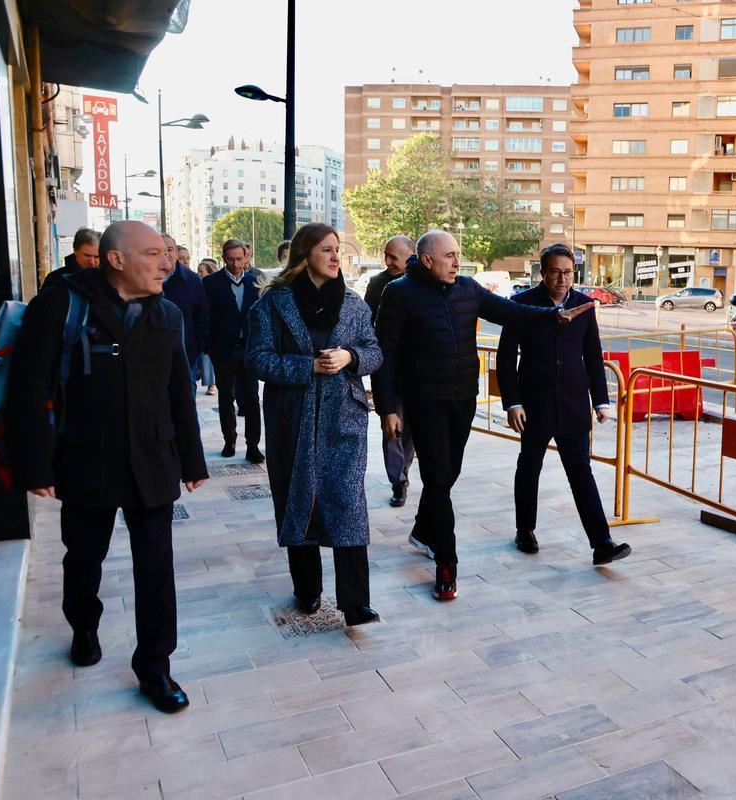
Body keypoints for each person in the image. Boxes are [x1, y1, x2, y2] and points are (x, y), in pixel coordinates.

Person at [5, 220, 207, 713]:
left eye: (169, 253)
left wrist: (193, 458)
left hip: (153, 461)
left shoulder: (169, 314)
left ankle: (155, 667)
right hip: (85, 461)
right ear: (117, 260)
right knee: (83, 559)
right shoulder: (61, 305)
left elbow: (178, 391)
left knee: (157, 570)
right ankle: (84, 625)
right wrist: (36, 467)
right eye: (155, 254)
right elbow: (28, 390)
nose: (168, 263)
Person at [374, 230, 594, 602]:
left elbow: (511, 312)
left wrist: (553, 316)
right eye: (450, 256)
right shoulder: (398, 294)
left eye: (458, 255)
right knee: (438, 477)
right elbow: (385, 356)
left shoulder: (468, 289)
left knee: (448, 474)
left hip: (463, 400)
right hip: (424, 401)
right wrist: (387, 409)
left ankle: (424, 529)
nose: (457, 262)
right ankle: (446, 564)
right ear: (427, 260)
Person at [247, 223, 383, 626]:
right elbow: (257, 359)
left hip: (345, 419)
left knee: (347, 502)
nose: (336, 256)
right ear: (305, 255)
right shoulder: (271, 305)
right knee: (298, 498)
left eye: (338, 249)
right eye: (327, 249)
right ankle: (307, 589)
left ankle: (356, 603)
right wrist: (307, 366)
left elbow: (375, 352)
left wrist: (350, 359)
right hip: (293, 419)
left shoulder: (355, 305)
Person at [498, 243, 631, 565]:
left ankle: (602, 542)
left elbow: (593, 356)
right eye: (556, 272)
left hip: (573, 403)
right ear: (543, 273)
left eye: (568, 272)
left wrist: (601, 400)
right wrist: (512, 402)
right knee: (529, 467)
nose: (562, 279)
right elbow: (505, 358)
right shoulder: (522, 305)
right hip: (534, 403)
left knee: (581, 472)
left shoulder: (585, 306)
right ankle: (525, 530)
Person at [364, 236, 415, 507]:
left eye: (394, 256)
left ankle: (403, 470)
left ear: (412, 256)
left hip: (419, 372)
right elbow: (366, 324)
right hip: (388, 369)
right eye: (386, 255)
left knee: (412, 430)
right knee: (392, 426)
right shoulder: (376, 284)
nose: (387, 261)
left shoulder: (426, 281)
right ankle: (398, 480)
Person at [203, 239, 263, 462]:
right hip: (223, 349)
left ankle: (253, 445)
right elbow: (206, 317)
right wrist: (209, 347)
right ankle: (229, 440)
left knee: (252, 398)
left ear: (246, 257)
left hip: (249, 349)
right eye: (231, 259)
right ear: (223, 257)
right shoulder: (211, 283)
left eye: (240, 258)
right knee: (226, 397)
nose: (236, 264)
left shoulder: (256, 281)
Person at [160, 234, 210, 380]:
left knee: (186, 395)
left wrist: (198, 346)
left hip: (187, 352)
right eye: (161, 250)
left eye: (170, 249)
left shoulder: (192, 280)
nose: (166, 254)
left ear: (176, 252)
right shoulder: (145, 278)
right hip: (156, 352)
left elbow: (202, 315)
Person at [196, 260, 218, 394]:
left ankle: (212, 384)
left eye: (201, 271)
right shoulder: (196, 286)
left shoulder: (213, 287)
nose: (198, 274)